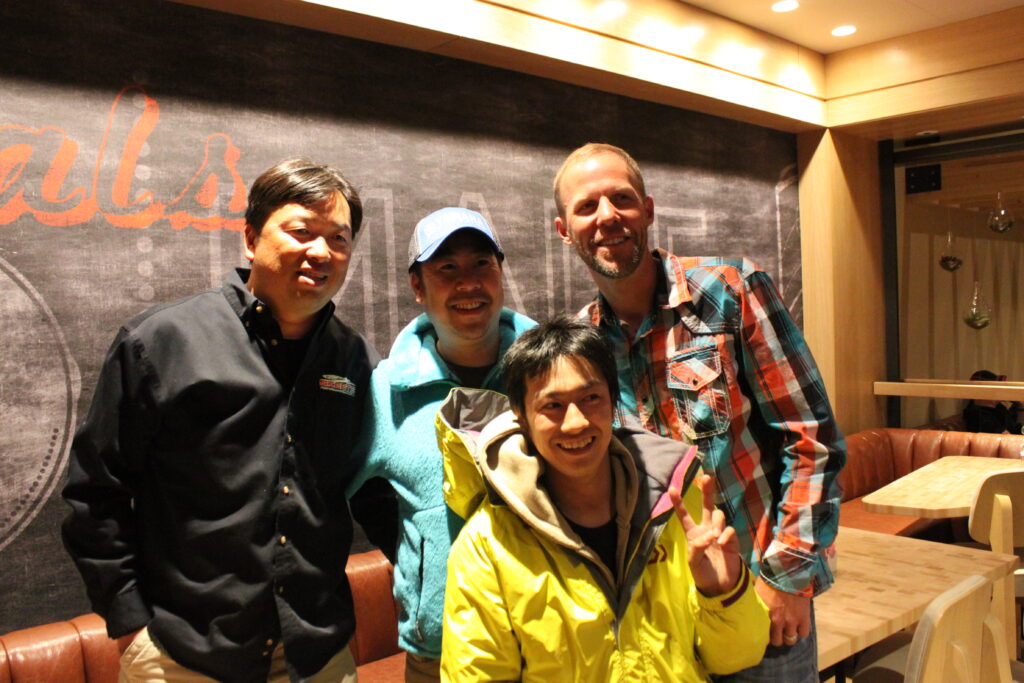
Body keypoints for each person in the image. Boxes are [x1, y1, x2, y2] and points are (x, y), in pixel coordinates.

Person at [62, 158, 384, 682]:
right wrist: (129, 621)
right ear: (251, 238)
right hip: (184, 656)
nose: (322, 251)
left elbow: (374, 491)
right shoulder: (161, 341)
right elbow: (96, 493)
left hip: (315, 656)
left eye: (339, 239)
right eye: (302, 231)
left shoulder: (354, 360)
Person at [552, 142, 845, 681]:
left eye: (621, 199)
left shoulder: (731, 290)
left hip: (759, 599)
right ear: (564, 231)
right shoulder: (583, 345)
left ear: (648, 210)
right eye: (586, 206)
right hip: (660, 622)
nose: (607, 216)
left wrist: (788, 579)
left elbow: (812, 439)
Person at [437, 316, 769, 681]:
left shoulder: (675, 502)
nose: (576, 422)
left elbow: (739, 656)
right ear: (522, 417)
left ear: (613, 402)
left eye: (591, 397)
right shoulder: (487, 546)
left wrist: (723, 592)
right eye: (552, 406)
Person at [346, 207, 534, 682]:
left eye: (481, 264)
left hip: (554, 635)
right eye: (447, 268)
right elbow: (337, 490)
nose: (468, 283)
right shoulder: (387, 389)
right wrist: (422, 561)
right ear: (418, 286)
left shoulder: (551, 368)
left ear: (500, 273)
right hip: (442, 649)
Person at [962, 370, 1023, 434]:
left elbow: (1015, 428)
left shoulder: (999, 408)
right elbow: (1003, 435)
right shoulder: (975, 415)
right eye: (996, 389)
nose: (1000, 392)